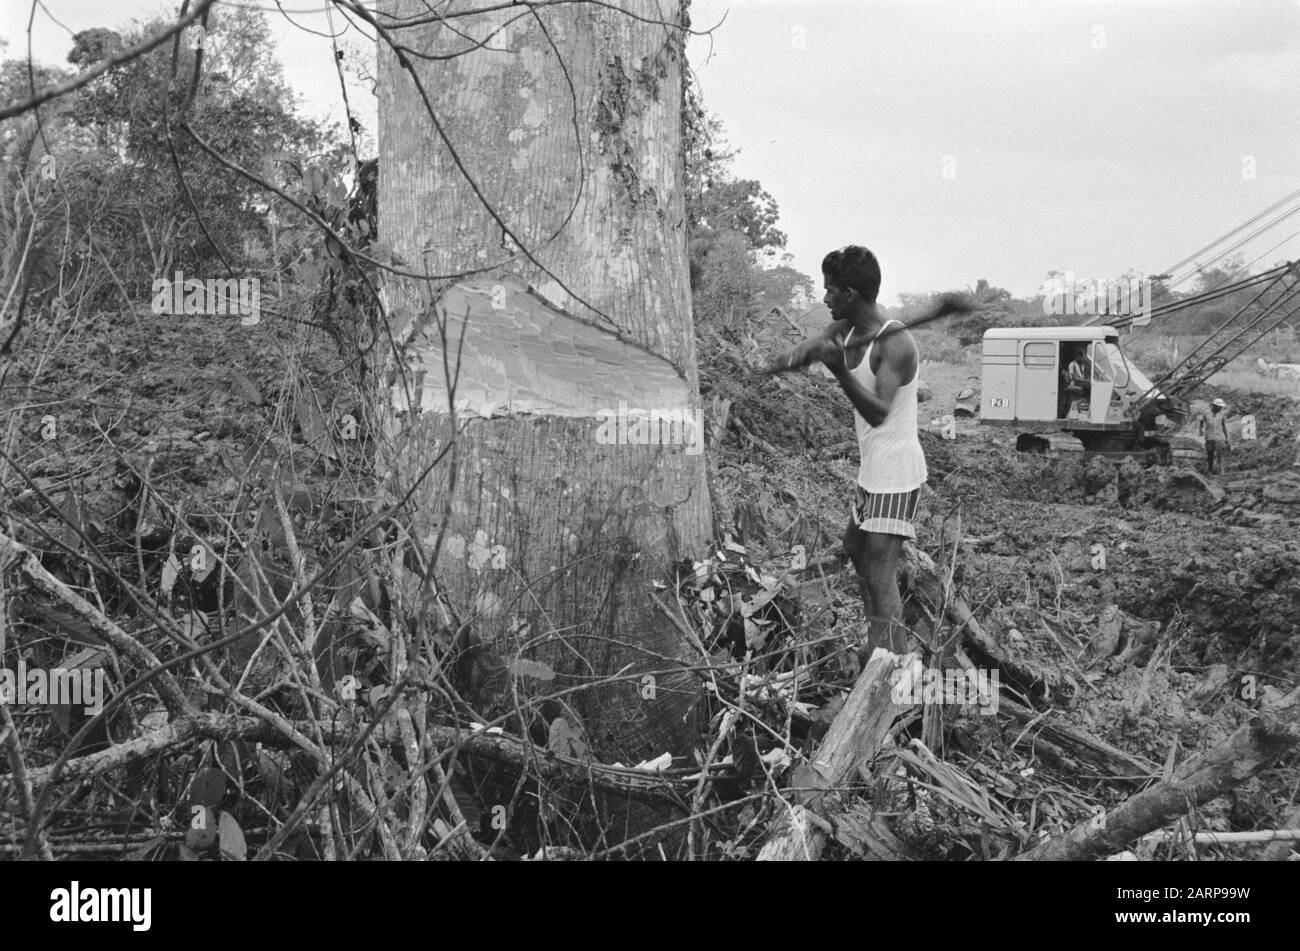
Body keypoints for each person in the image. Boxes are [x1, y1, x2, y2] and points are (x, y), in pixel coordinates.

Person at [802, 245, 926, 657]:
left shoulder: (895, 343)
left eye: (831, 291)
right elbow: (818, 342)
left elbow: (878, 414)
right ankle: (880, 648)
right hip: (873, 470)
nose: (825, 299)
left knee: (878, 571)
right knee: (855, 548)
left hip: (897, 472)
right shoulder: (850, 330)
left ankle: (892, 676)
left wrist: (838, 371)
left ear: (851, 294)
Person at [1198, 397, 1231, 474]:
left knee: (1220, 452)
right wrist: (1200, 430)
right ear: (1215, 406)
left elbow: (1223, 426)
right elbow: (1201, 421)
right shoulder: (1206, 412)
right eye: (1220, 406)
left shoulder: (1222, 414)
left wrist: (1226, 438)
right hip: (1209, 436)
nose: (1221, 408)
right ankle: (1210, 469)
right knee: (1210, 452)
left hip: (1219, 436)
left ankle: (1220, 469)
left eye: (1222, 407)